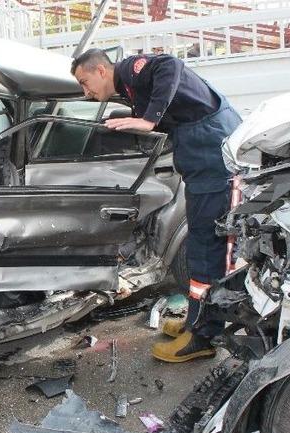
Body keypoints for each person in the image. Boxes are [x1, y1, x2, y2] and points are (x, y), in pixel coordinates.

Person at [71, 49, 242, 363]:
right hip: (203, 160)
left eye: (85, 82)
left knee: (207, 249)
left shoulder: (134, 71)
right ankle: (197, 322)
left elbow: (170, 65)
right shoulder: (131, 89)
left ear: (100, 70)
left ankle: (203, 336)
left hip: (213, 158)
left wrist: (148, 120)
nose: (86, 91)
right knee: (202, 249)